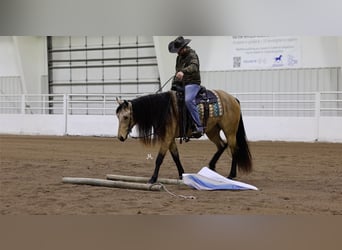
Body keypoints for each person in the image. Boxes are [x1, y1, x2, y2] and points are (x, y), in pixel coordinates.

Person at [168, 36, 203, 137]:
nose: (177, 53)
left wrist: (183, 71)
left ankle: (198, 126)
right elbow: (177, 72)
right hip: (181, 84)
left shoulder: (192, 55)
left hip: (193, 83)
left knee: (188, 100)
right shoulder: (179, 57)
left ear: (184, 48)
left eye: (178, 50)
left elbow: (194, 67)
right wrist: (174, 85)